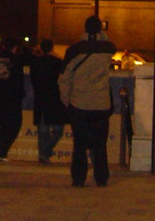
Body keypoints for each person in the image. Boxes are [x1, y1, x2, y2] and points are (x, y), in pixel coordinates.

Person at [59, 15, 116, 187]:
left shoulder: (75, 50)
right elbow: (109, 44)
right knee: (100, 145)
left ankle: (78, 178)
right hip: (101, 103)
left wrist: (66, 100)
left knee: (80, 144)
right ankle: (101, 177)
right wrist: (101, 35)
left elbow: (64, 78)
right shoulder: (108, 48)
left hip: (79, 103)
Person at [0, 39, 25, 160]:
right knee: (14, 125)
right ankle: (2, 151)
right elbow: (19, 81)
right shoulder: (16, 60)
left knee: (0, 126)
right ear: (15, 48)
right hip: (12, 100)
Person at [29, 39, 66, 163]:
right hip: (54, 97)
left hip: (40, 98)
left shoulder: (35, 63)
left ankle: (43, 154)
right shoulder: (57, 62)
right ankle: (45, 152)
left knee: (42, 130)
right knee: (57, 130)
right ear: (52, 48)